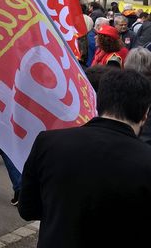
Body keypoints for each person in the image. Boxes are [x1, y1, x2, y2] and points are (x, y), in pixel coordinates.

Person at [19, 69, 151, 247]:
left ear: (98, 103)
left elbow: (28, 209)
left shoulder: (49, 142)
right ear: (145, 113)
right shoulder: (145, 161)